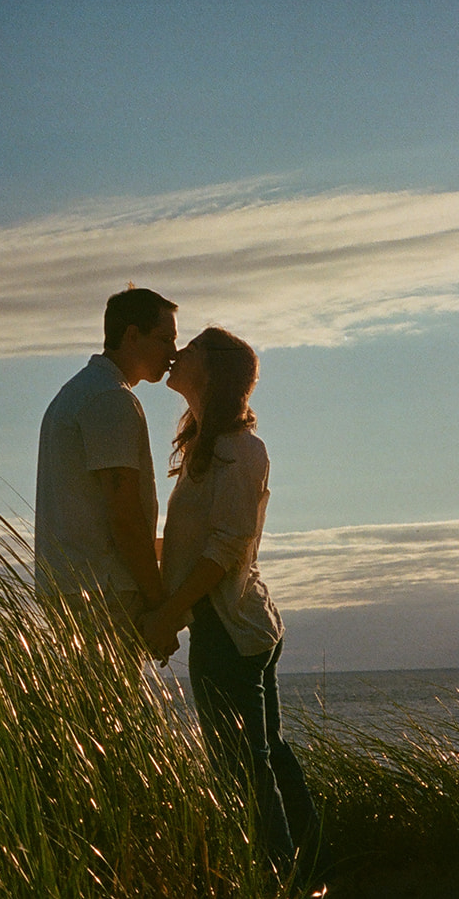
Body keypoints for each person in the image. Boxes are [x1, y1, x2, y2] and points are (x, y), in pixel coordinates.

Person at [139, 327, 320, 879]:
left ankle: (280, 877)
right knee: (266, 756)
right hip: (238, 624)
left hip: (231, 629)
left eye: (189, 348)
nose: (177, 353)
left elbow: (225, 548)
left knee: (245, 765)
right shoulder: (207, 446)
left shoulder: (241, 450)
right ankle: (306, 871)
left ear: (212, 370)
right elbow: (198, 544)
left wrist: (169, 613)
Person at [34, 287, 178, 637]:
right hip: (104, 590)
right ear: (132, 335)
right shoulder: (111, 399)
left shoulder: (78, 392)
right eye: (165, 339)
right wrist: (160, 604)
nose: (174, 353)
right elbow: (124, 515)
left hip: (71, 585)